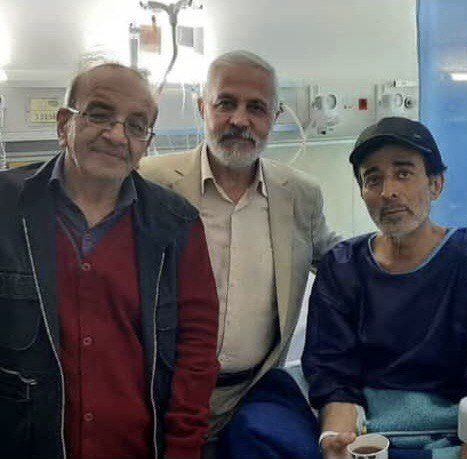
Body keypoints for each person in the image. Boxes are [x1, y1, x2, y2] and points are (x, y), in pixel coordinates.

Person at [0, 62, 219, 459]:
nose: (117, 135)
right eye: (99, 115)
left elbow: (196, 351)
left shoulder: (177, 224)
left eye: (136, 125)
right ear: (64, 124)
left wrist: (183, 448)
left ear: (146, 143)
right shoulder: (6, 208)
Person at [139, 50, 339, 454]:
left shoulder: (300, 195)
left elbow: (342, 263)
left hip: (252, 394)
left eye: (256, 108)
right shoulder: (149, 183)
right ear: (203, 108)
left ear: (275, 117)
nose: (240, 120)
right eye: (226, 103)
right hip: (160, 396)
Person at [303, 117, 467, 459]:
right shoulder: (342, 266)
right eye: (373, 179)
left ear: (436, 184)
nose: (388, 192)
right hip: (369, 429)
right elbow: (332, 370)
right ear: (363, 194)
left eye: (403, 173)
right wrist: (337, 439)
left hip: (460, 424)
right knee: (260, 414)